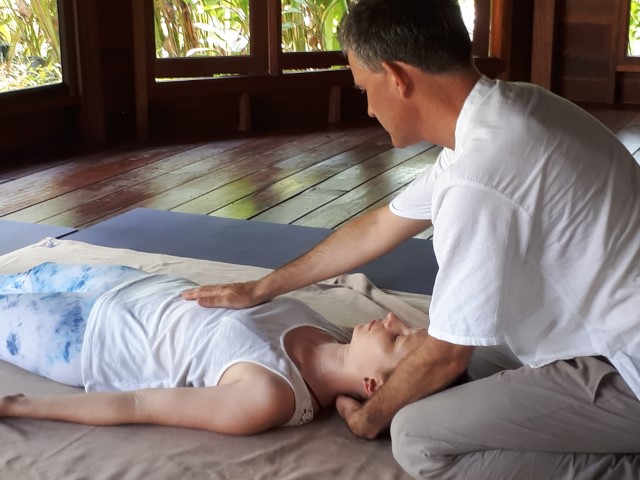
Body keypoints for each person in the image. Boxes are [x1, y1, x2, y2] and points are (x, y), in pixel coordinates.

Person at [181, 0, 640, 478]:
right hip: (586, 326)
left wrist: (368, 418)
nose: (368, 106)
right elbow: (383, 224)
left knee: (416, 436)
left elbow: (446, 356)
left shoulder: (482, 177)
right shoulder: (511, 110)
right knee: (428, 366)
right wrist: (261, 288)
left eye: (364, 87)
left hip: (626, 370)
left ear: (397, 77)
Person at [0, 262, 427, 435]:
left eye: (398, 338)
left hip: (85, 336)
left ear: (373, 382)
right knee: (24, 271)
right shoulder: (332, 332)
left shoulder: (269, 396)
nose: (393, 319)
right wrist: (354, 412)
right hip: (133, 283)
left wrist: (18, 406)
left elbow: (137, 403)